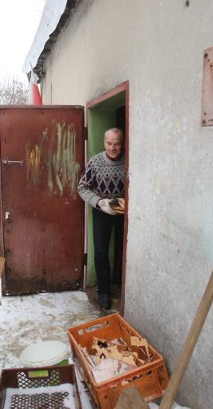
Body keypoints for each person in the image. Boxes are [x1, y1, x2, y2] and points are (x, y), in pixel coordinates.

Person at [77, 127, 126, 310]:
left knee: (124, 249)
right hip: (101, 210)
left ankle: (121, 283)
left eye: (117, 144)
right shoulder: (95, 162)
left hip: (123, 211)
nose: (113, 147)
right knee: (100, 251)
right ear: (104, 142)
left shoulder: (128, 161)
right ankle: (104, 290)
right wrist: (100, 202)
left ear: (122, 144)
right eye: (109, 143)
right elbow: (82, 188)